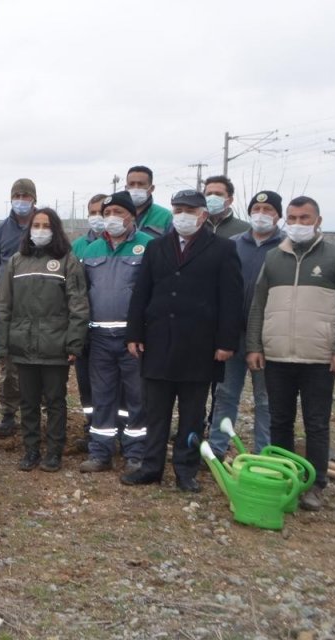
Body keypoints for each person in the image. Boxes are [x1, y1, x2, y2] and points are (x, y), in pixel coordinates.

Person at [246, 195, 335, 511]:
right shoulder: (273, 258)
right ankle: (285, 476)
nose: (297, 224)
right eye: (293, 218)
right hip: (278, 356)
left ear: (318, 221)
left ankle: (315, 484)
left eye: (305, 218)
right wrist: (254, 346)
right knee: (280, 420)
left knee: (316, 423)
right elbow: (259, 304)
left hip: (319, 358)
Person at [123, 189, 242, 492]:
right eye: (178, 209)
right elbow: (141, 293)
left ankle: (185, 470)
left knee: (192, 414)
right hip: (159, 342)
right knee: (156, 411)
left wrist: (226, 342)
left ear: (203, 215)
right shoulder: (156, 247)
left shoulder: (223, 249)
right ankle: (151, 467)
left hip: (199, 347)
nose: (182, 215)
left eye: (189, 210)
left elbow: (231, 300)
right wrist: (134, 333)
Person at [0, 207, 88, 472]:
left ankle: (54, 452)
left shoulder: (68, 261)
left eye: (46, 225)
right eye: (36, 225)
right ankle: (31, 449)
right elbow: (3, 306)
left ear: (55, 229)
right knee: (28, 401)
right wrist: (1, 346)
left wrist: (74, 343)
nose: (40, 230)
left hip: (55, 345)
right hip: (22, 345)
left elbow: (78, 305)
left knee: (56, 402)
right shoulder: (16, 261)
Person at [76, 192, 153, 473]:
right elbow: (82, 294)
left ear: (131, 216)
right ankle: (101, 452)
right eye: (107, 213)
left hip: (133, 339)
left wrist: (143, 333)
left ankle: (135, 453)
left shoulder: (148, 246)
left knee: (137, 397)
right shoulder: (91, 250)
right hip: (98, 337)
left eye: (118, 212)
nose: (111, 218)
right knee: (102, 397)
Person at [207, 190, 284, 457]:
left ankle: (265, 455)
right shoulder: (234, 244)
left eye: (268, 211)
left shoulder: (285, 247)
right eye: (257, 210)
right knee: (225, 394)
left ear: (278, 216)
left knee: (266, 400)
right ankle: (217, 448)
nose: (261, 215)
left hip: (267, 337)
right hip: (232, 334)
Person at [0, 178, 38, 439]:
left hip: (39, 305)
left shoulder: (44, 227)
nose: (21, 200)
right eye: (17, 195)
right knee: (7, 361)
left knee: (38, 359)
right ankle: (8, 414)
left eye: (25, 195)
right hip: (8, 304)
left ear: (34, 199)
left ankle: (35, 414)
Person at [69, 193, 108, 449]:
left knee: (113, 384)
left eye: (102, 212)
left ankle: (118, 431)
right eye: (92, 212)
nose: (97, 217)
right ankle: (91, 427)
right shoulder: (79, 246)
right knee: (86, 383)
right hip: (84, 327)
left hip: (111, 329)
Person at [125, 165, 173, 238]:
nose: (136, 188)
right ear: (126, 188)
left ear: (152, 188)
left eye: (141, 184)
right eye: (131, 184)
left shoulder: (165, 216)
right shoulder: (117, 214)